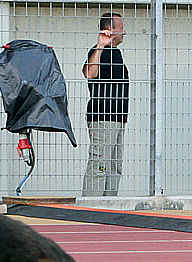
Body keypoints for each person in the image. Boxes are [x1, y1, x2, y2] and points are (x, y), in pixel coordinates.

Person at [81, 12, 129, 196]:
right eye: (121, 28)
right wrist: (101, 44)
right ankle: (91, 208)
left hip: (118, 120)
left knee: (114, 167)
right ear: (110, 30)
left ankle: (110, 207)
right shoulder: (99, 51)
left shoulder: (116, 54)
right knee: (99, 165)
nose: (124, 32)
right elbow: (89, 73)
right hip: (102, 118)